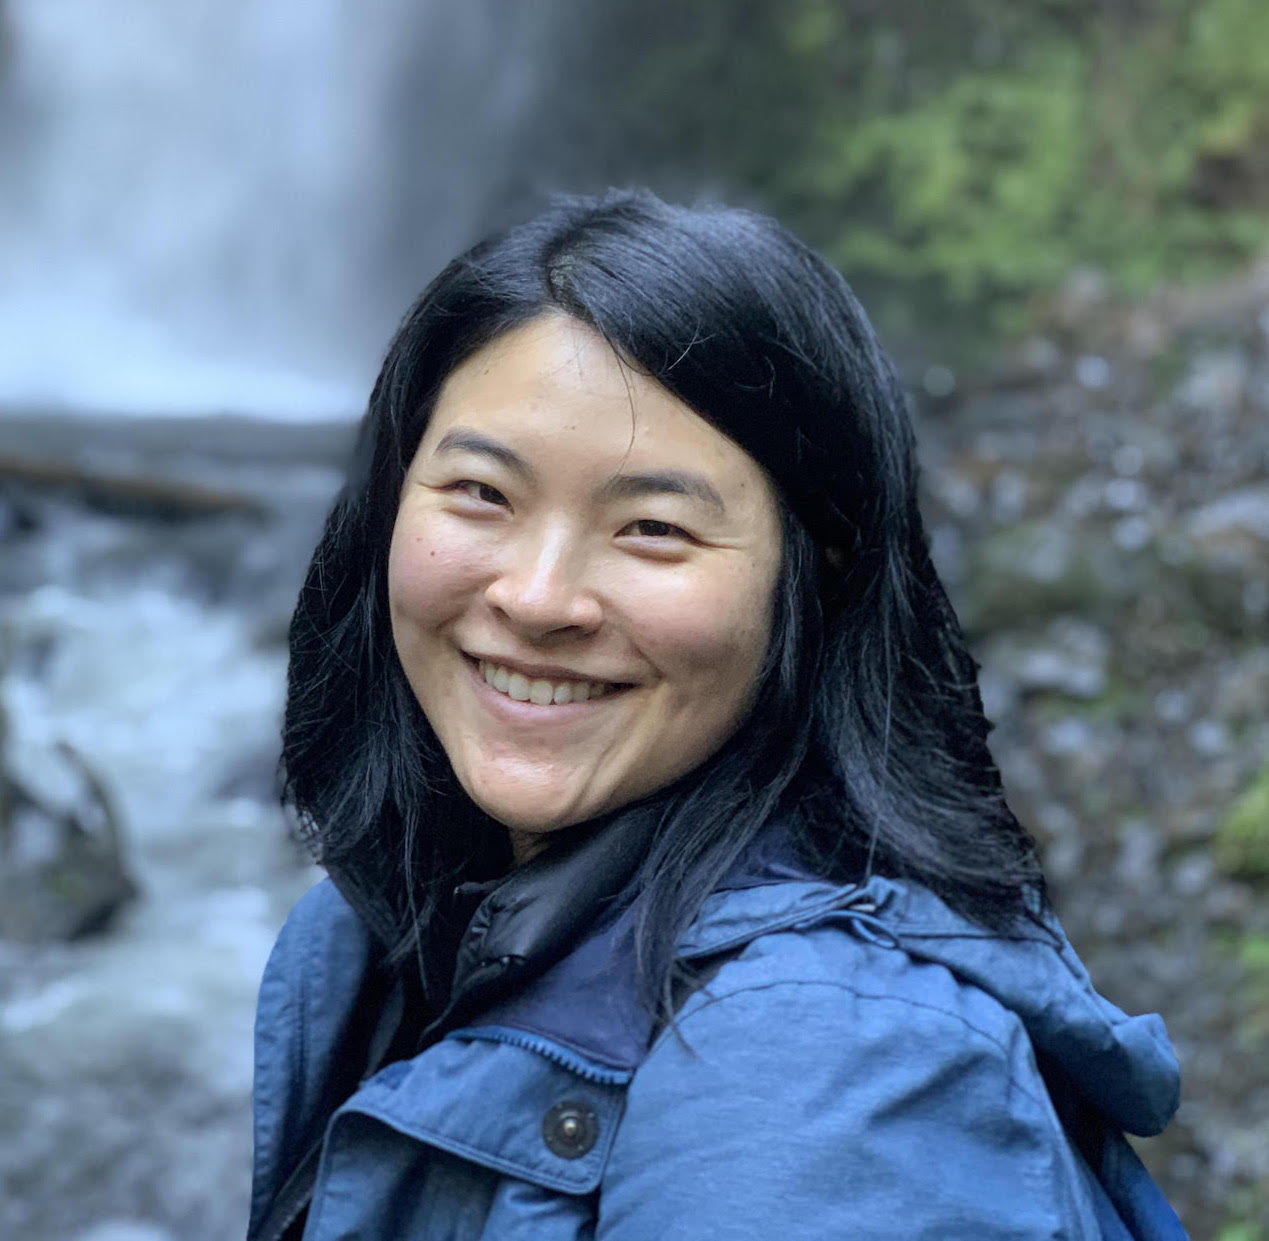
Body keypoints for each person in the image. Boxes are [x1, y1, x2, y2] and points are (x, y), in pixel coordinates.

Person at [247, 189, 1188, 1240]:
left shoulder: (830, 1067)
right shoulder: (371, 930)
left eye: (652, 527)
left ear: (818, 571)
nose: (538, 595)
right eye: (480, 493)